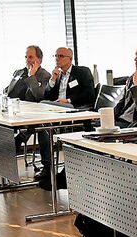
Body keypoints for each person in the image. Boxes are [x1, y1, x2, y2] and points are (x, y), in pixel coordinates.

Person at [36, 47, 94, 184]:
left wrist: (68, 100)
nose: (57, 59)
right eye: (56, 56)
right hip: (57, 109)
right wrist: (52, 80)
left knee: (42, 106)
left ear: (70, 58)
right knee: (42, 124)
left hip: (74, 108)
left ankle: (63, 171)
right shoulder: (58, 75)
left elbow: (89, 94)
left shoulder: (82, 72)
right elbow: (47, 96)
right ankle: (47, 165)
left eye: (61, 56)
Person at [9, 45, 51, 151]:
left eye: (30, 57)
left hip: (33, 112)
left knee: (41, 125)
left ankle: (21, 138)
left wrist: (32, 76)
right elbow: (8, 91)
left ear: (39, 60)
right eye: (26, 57)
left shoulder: (44, 75)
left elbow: (39, 96)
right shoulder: (19, 72)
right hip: (14, 109)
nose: (27, 60)